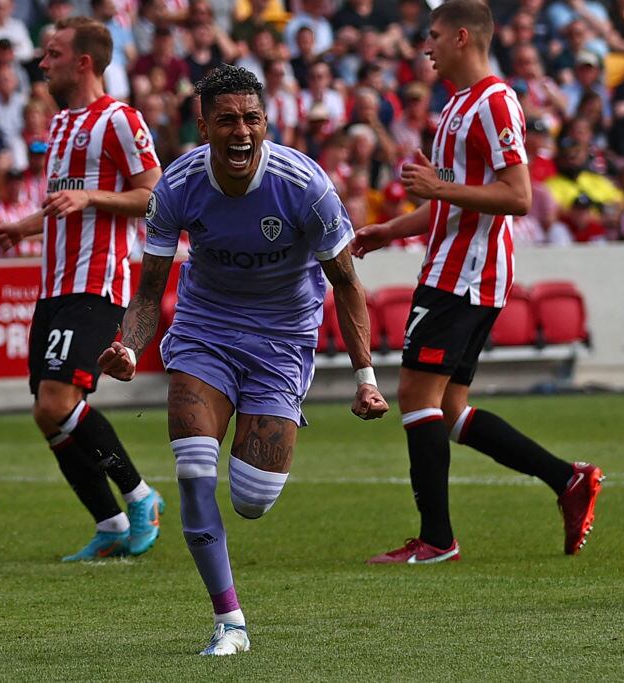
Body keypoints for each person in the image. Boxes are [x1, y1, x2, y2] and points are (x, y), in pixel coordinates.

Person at [97, 65, 388, 656]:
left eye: (251, 119)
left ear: (266, 122)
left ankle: (268, 433)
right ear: (202, 124)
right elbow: (151, 290)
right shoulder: (175, 188)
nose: (241, 132)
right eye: (226, 119)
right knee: (194, 471)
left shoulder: (305, 185)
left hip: (283, 340)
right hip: (205, 333)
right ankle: (230, 623)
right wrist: (130, 345)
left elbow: (347, 283)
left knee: (252, 498)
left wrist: (367, 379)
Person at [351, 0, 604, 564]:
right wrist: (392, 228)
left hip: (464, 275)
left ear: (463, 37)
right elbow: (455, 204)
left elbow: (517, 195)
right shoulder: (458, 107)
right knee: (451, 408)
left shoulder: (493, 102)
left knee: (417, 396)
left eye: (434, 36)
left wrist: (437, 189)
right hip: (457, 268)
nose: (427, 47)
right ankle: (568, 479)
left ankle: (437, 540)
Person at [0, 17, 165, 562]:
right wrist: (24, 227)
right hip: (53, 288)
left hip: (96, 285)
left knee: (58, 400)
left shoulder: (120, 119)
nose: (43, 63)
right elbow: (65, 205)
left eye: (53, 53)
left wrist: (93, 199)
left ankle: (140, 496)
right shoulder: (62, 125)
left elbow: (154, 197)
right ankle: (109, 524)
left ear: (83, 61)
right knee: (48, 413)